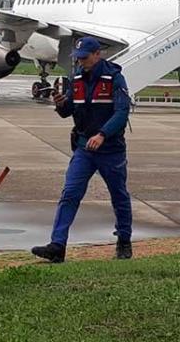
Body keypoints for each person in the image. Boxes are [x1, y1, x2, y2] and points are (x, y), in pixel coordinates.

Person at [31, 37, 133, 263]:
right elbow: (69, 110)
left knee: (119, 196)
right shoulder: (75, 78)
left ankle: (124, 241)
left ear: (98, 54)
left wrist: (103, 134)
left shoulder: (115, 79)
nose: (81, 62)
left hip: (110, 149)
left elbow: (122, 112)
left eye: (85, 58)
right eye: (78, 58)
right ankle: (57, 245)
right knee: (70, 193)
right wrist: (60, 104)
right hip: (83, 148)